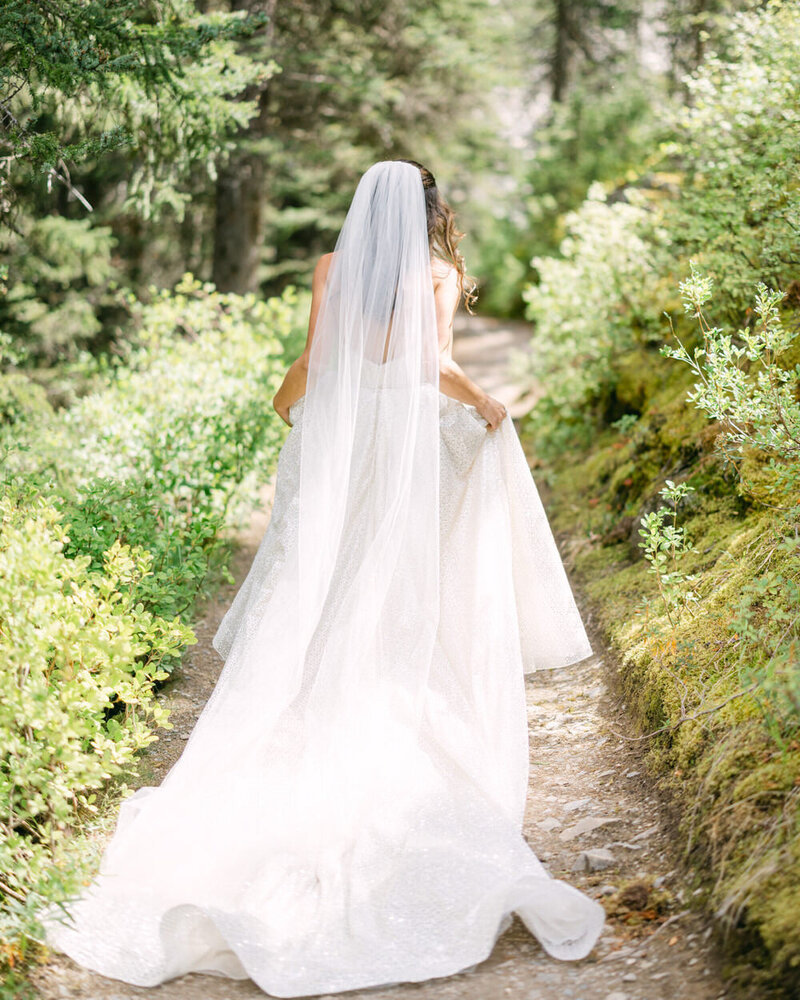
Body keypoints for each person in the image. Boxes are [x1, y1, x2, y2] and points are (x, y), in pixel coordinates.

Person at [44, 160, 604, 997]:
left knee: (323, 584)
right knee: (392, 587)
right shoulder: (441, 272)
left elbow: (312, 363)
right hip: (403, 446)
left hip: (339, 446)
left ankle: (309, 711)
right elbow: (429, 366)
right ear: (427, 211)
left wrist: (292, 410)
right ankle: (386, 703)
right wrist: (484, 400)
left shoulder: (330, 269)